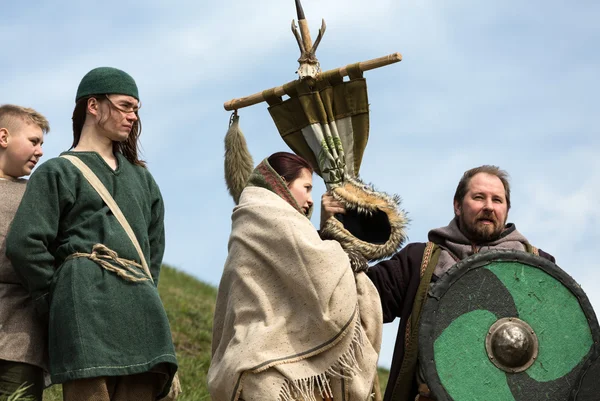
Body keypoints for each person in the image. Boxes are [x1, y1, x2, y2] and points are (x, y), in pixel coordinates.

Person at [6, 67, 177, 401]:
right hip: (85, 314)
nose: (133, 116)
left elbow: (153, 252)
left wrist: (142, 294)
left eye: (137, 109)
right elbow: (25, 244)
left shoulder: (143, 181)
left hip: (140, 316)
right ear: (94, 106)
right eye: (126, 105)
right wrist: (61, 300)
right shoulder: (57, 171)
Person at [321, 165, 555, 401]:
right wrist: (335, 234)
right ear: (457, 205)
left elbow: (560, 346)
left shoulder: (537, 266)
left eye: (497, 200)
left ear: (507, 209)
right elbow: (353, 298)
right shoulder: (418, 262)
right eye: (478, 197)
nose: (488, 206)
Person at [209, 152, 383, 401]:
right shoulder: (270, 217)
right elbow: (321, 271)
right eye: (307, 188)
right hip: (268, 367)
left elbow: (308, 268)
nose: (311, 200)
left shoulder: (255, 218)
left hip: (252, 358)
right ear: (281, 183)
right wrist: (342, 248)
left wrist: (328, 232)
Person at [0, 105, 49, 400]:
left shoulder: (37, 195)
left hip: (21, 344)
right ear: (3, 136)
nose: (40, 151)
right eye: (34, 141)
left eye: (42, 143)